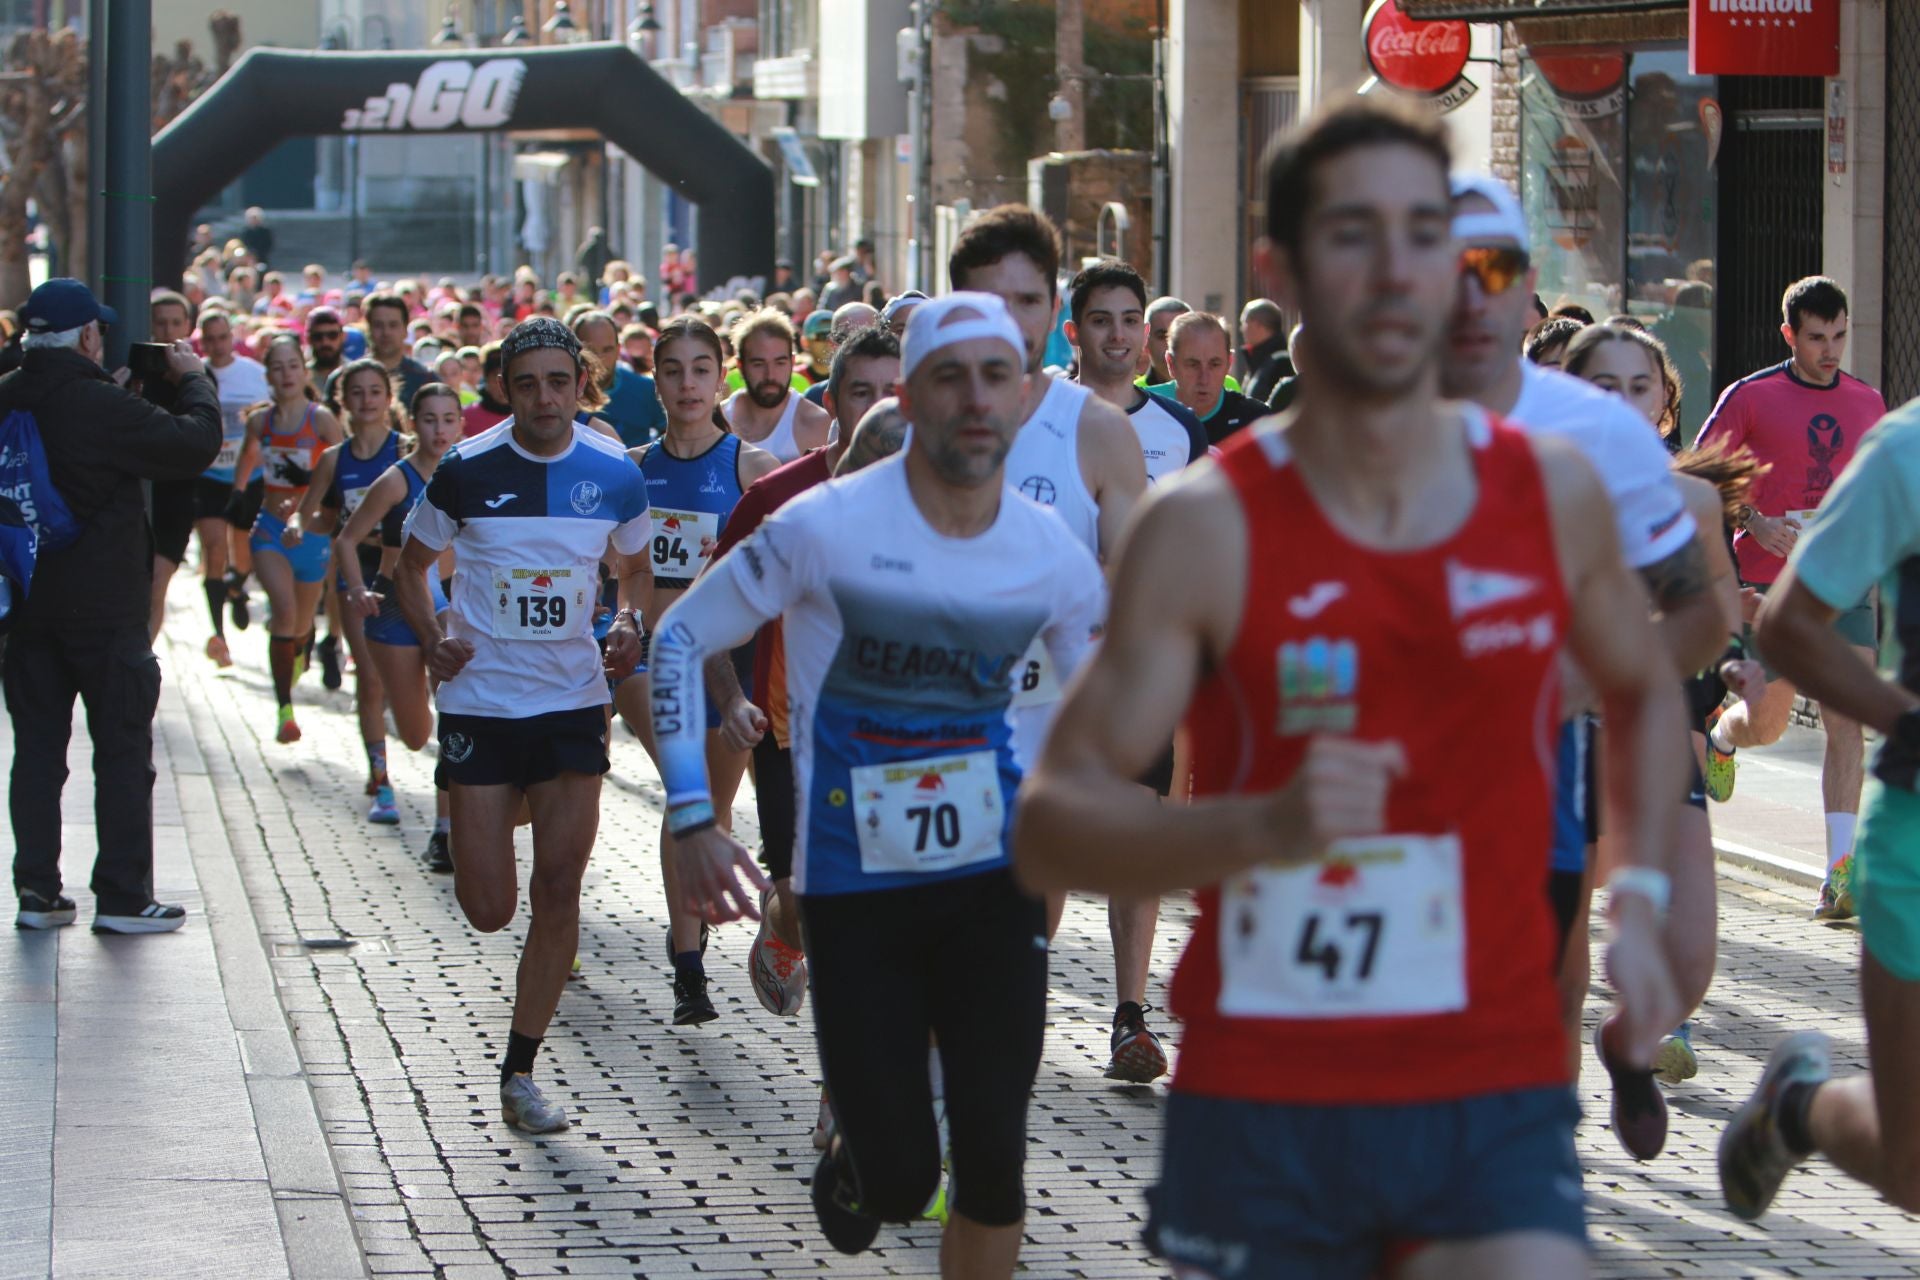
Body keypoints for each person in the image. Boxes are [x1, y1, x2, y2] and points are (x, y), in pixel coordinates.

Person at [1012, 95, 1685, 1279]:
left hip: (1487, 1065)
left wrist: (1635, 895)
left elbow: (1644, 688)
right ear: (1281, 270)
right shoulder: (1205, 527)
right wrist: (1258, 827)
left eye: (1424, 235)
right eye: (1350, 235)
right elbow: (1053, 819)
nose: (1394, 270)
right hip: (1274, 1080)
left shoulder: (1554, 493)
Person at [649, 292, 1105, 1274]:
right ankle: (865, 1161)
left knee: (994, 1164)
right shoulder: (822, 526)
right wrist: (690, 815)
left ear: (1023, 399)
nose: (975, 403)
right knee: (902, 1180)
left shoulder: (1044, 546)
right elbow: (679, 636)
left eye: (997, 379)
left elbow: (1104, 704)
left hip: (994, 880)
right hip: (856, 887)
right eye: (952, 379)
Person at [1443, 170, 1724, 1162]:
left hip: (1540, 768)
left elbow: (1703, 611)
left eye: (1491, 268)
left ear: (1526, 286)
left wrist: (1588, 679)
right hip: (1382, 778)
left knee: (1541, 994)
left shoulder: (1595, 432)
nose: (1466, 290)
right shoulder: (1340, 424)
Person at [393, 317, 652, 1134]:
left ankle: (520, 1071)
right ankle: (505, 805)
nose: (545, 398)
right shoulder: (466, 468)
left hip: (573, 701)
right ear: (504, 388)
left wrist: (627, 620)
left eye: (559, 382)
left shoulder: (614, 472)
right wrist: (433, 637)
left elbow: (636, 567)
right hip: (482, 705)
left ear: (581, 385)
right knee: (488, 908)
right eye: (528, 383)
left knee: (559, 888)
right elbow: (409, 567)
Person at [948, 205, 1154, 1081]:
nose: (1012, 320)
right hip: (917, 737)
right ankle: (868, 1091)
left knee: (1006, 953)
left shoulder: (1096, 430)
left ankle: (972, 1108)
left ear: (1050, 310)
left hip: (1042, 748)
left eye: (1028, 300)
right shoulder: (899, 424)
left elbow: (1138, 591)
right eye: (990, 302)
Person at [1721, 395, 1920, 1224]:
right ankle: (1798, 1106)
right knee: (1911, 1170)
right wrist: (1906, 722)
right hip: (1916, 838)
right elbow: (1789, 625)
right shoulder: (1905, 449)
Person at [705, 329, 903, 1145]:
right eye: (864, 392)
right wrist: (730, 700)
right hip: (794, 736)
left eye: (899, 392)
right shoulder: (778, 498)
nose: (884, 409)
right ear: (832, 405)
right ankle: (781, 923)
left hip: (900, 745)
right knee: (813, 907)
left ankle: (844, 1087)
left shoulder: (950, 497)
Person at [1562, 319, 1752, 1093]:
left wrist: (1736, 662)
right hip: (1565, 738)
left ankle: (1629, 1036)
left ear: (1664, 404)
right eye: (1603, 386)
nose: (1623, 402)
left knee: (1692, 960)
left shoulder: (1691, 501)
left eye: (1638, 386)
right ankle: (1553, 1122)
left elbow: (1719, 613)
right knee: (1561, 958)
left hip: (1660, 731)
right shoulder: (1534, 492)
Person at [4, 278, 222, 934]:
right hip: (104, 610)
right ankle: (124, 897)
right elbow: (194, 444)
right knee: (122, 750)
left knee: (36, 752)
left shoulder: (9, 393)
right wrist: (194, 379)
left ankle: (37, 892)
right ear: (87, 338)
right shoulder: (99, 404)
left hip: (25, 605)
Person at [603, 316, 779, 1022]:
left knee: (715, 806)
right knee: (689, 795)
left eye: (701, 370)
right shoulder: (631, 469)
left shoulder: (752, 468)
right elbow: (612, 567)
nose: (687, 385)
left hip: (727, 664)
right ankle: (687, 967)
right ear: (656, 382)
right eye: (673, 371)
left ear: (721, 377)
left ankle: (709, 911)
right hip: (649, 656)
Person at [1696, 276, 1888, 919]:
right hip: (1768, 590)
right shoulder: (1749, 397)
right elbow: (1698, 477)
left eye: (1839, 336)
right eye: (1816, 338)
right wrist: (1753, 521)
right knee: (1768, 724)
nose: (1830, 350)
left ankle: (1839, 875)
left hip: (1843, 584)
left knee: (1845, 720)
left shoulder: (1868, 402)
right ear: (1789, 335)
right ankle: (1724, 733)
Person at [338, 383, 463, 871]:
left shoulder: (470, 473)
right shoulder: (396, 480)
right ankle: (389, 757)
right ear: (412, 423)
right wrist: (356, 589)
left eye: (448, 419)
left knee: (455, 713)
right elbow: (346, 540)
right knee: (416, 734)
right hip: (395, 607)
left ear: (460, 424)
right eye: (429, 420)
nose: (439, 430)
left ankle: (445, 830)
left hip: (450, 603)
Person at [295, 359, 405, 820]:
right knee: (370, 679)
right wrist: (305, 525)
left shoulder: (406, 449)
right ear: (342, 401)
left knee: (405, 684)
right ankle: (381, 779)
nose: (366, 400)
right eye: (356, 392)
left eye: (375, 391)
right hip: (355, 574)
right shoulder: (333, 459)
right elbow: (316, 516)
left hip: (404, 573)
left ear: (389, 398)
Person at [231, 334, 346, 743]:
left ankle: (301, 645)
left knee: (300, 622)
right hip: (270, 531)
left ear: (303, 370)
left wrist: (314, 483)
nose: (286, 375)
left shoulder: (321, 420)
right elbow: (248, 456)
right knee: (282, 611)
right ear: (268, 376)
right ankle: (284, 711)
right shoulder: (260, 422)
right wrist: (237, 493)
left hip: (312, 535)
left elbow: (346, 467)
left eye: (293, 366)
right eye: (277, 368)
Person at [722, 309, 832, 463]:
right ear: (740, 366)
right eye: (758, 364)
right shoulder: (718, 420)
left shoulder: (819, 426)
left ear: (792, 363)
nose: (770, 375)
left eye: (780, 363)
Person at [1155, 312, 1271, 445]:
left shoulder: (1256, 421)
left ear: (1229, 363)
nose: (1204, 379)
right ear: (1171, 364)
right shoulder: (1141, 409)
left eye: (1214, 365)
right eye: (1193, 365)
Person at [571, 309, 664, 447]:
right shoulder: (564, 396)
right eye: (590, 351)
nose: (600, 359)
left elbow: (670, 438)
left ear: (618, 350)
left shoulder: (646, 389)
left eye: (607, 350)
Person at [336, 291, 432, 408]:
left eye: (393, 325)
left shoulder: (426, 379)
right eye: (378, 325)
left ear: (405, 330)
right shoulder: (345, 378)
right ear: (368, 329)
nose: (386, 332)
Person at [1238, 297, 1294, 404]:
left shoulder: (1281, 364)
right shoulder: (1260, 362)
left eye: (1244, 323)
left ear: (1257, 324)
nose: (1241, 329)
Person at [463, 342, 512, 438]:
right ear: (486, 379)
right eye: (496, 380)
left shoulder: (527, 417)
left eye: (507, 379)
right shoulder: (467, 417)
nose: (502, 387)